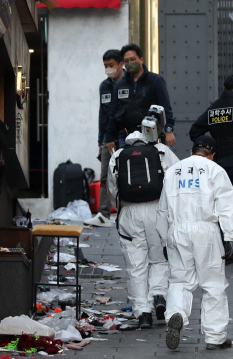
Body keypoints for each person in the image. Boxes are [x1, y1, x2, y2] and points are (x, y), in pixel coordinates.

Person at [157, 135, 233, 350]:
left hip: (177, 230)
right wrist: (229, 236)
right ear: (212, 155)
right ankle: (215, 337)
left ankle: (176, 314)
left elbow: (163, 208)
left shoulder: (173, 171)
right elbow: (227, 206)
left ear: (192, 152)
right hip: (205, 230)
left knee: (179, 280)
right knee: (213, 284)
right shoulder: (215, 170)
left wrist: (165, 238)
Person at [188, 73, 233, 267]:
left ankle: (225, 250)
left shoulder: (213, 109)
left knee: (220, 207)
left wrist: (212, 147)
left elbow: (195, 131)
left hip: (218, 165)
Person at [108, 131, 179, 328]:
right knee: (160, 258)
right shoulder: (162, 151)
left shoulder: (117, 155)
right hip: (158, 210)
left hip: (130, 212)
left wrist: (121, 207)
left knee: (136, 265)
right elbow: (174, 181)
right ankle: (159, 295)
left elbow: (112, 190)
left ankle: (143, 312)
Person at [105, 44, 176, 149]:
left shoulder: (155, 80)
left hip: (149, 135)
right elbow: (113, 112)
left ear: (141, 59)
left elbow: (165, 108)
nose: (130, 63)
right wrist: (110, 138)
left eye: (133, 59)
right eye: (126, 61)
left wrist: (169, 130)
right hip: (126, 136)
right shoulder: (120, 84)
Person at [85, 50, 124, 228]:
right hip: (107, 139)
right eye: (105, 66)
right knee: (105, 176)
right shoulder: (105, 86)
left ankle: (126, 213)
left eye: (111, 65)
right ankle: (103, 214)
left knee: (124, 175)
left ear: (120, 64)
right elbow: (103, 115)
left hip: (124, 137)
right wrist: (101, 141)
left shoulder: (129, 84)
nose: (108, 69)